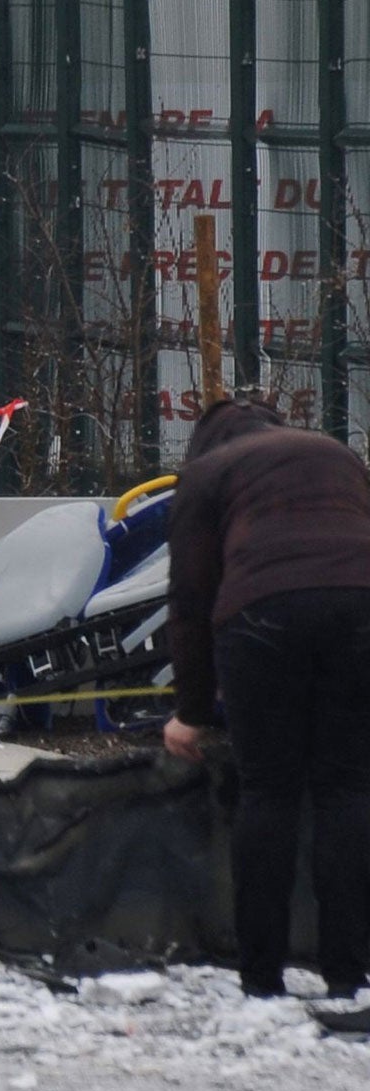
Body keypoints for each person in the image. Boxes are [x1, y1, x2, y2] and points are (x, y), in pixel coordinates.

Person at [163, 396, 370, 999]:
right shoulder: (335, 452)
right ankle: (348, 972)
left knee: (269, 789)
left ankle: (261, 976)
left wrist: (192, 713)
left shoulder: (207, 474)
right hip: (362, 608)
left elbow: (189, 602)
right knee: (348, 787)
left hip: (262, 615)